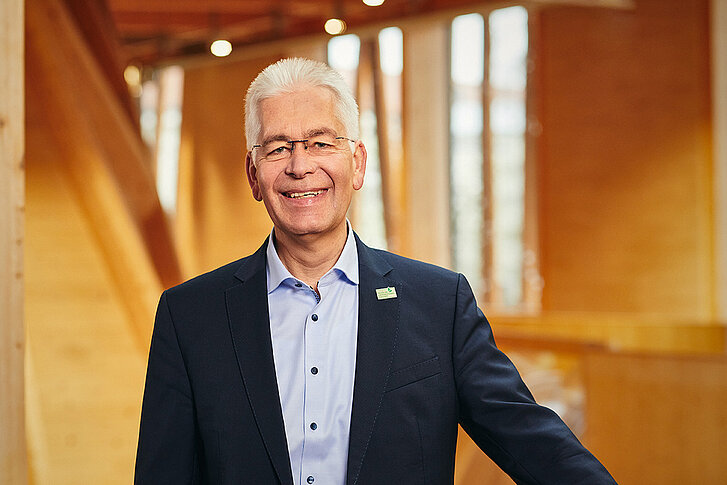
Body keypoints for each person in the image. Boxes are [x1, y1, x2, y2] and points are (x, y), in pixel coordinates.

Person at [135, 57, 616, 485]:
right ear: (253, 175)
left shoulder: (438, 304)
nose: (300, 166)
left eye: (321, 142)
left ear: (357, 164)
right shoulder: (190, 317)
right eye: (278, 148)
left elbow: (528, 438)